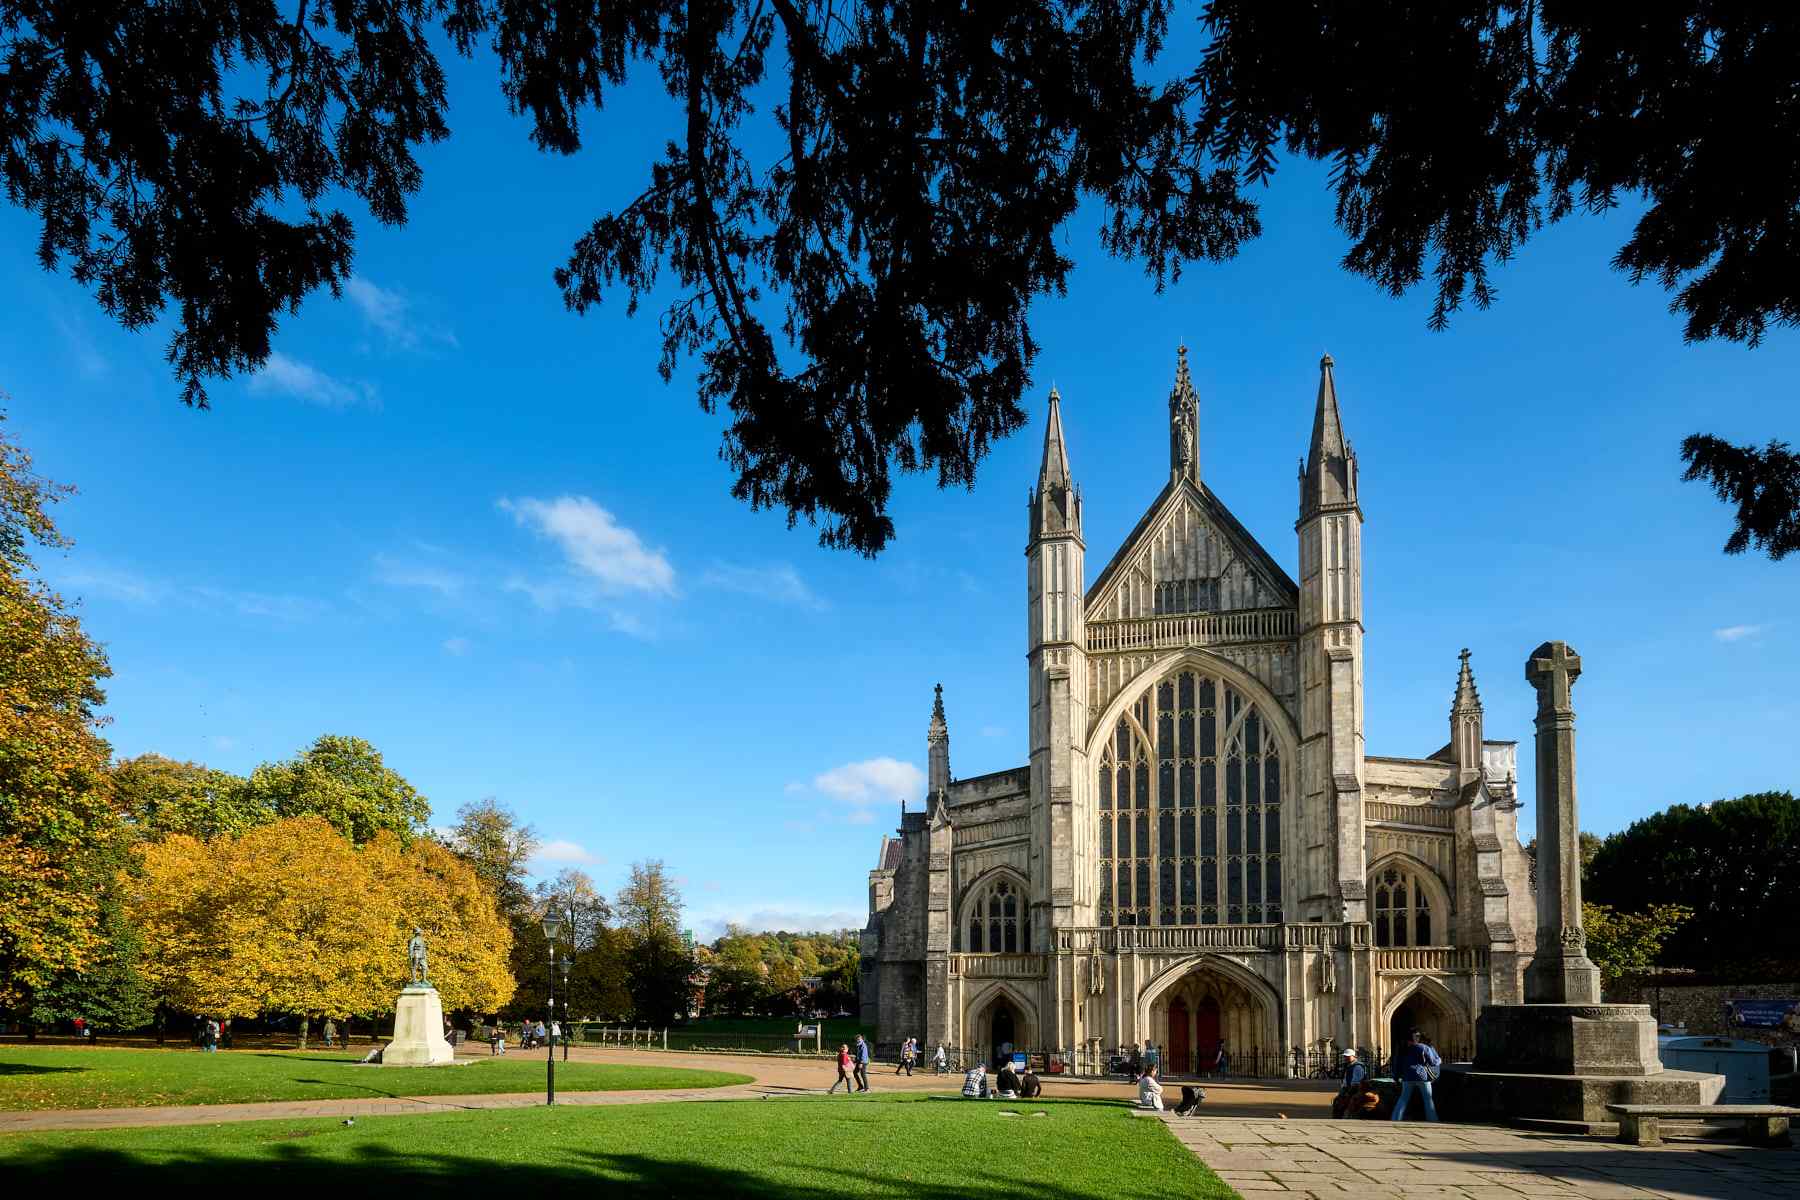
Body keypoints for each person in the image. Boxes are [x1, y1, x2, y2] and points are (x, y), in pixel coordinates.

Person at [1391, 1030, 1442, 1122]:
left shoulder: (1402, 1048)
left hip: (1407, 1076)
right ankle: (1432, 1119)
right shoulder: (1423, 1047)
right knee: (1427, 1099)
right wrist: (1439, 1059)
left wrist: (1396, 1076)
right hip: (1422, 1077)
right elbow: (1433, 1062)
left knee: (1403, 1099)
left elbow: (1397, 1063)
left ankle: (1395, 1118)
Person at [1331, 1048, 1368, 1119]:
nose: (1346, 1058)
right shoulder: (1350, 1065)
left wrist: (1348, 1091)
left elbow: (1356, 1082)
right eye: (1345, 1056)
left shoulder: (1357, 1066)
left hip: (1353, 1089)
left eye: (1348, 1056)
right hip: (1348, 1088)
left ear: (1353, 1056)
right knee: (1338, 1103)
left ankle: (1339, 1119)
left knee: (1340, 1104)